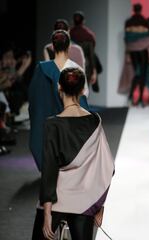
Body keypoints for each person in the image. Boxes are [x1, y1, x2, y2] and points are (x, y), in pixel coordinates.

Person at [31, 68, 114, 239]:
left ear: (59, 87)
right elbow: (106, 167)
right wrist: (99, 206)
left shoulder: (52, 124)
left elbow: (49, 170)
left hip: (56, 202)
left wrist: (47, 213)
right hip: (84, 202)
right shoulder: (95, 120)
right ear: (83, 90)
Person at [28, 30, 89, 171]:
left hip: (47, 126)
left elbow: (34, 98)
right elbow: (82, 100)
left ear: (53, 47)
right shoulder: (75, 70)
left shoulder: (41, 69)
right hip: (69, 128)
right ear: (68, 47)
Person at [70, 11, 98, 89]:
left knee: (71, 91)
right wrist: (94, 71)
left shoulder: (68, 34)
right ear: (83, 21)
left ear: (73, 20)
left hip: (71, 66)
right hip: (86, 66)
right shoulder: (89, 35)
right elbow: (91, 56)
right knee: (83, 91)